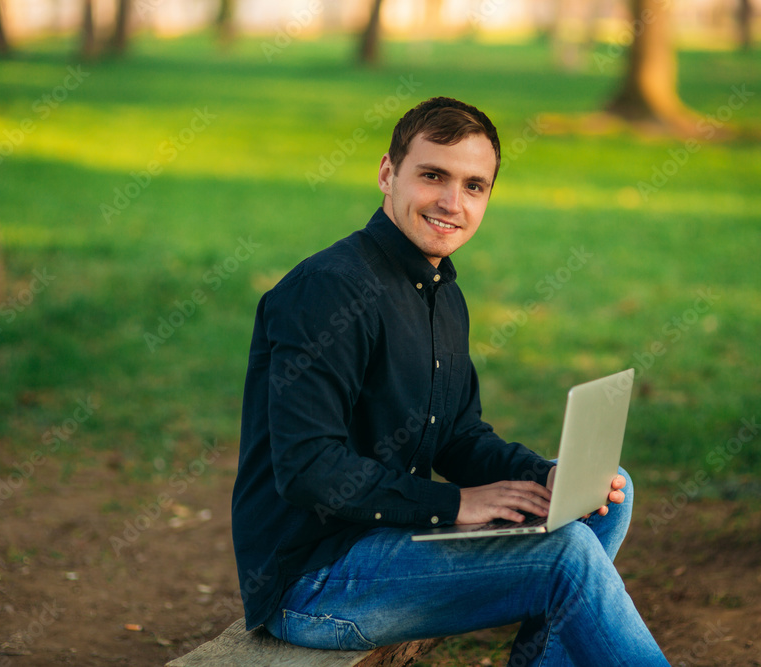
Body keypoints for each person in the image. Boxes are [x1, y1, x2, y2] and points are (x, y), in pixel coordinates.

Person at [231, 96, 670, 666]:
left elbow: (459, 437)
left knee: (609, 496)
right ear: (388, 174)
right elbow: (309, 469)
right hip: (314, 580)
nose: (451, 202)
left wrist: (543, 477)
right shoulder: (329, 291)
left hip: (388, 544)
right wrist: (453, 503)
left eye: (474, 186)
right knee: (567, 558)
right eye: (432, 176)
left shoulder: (442, 293)